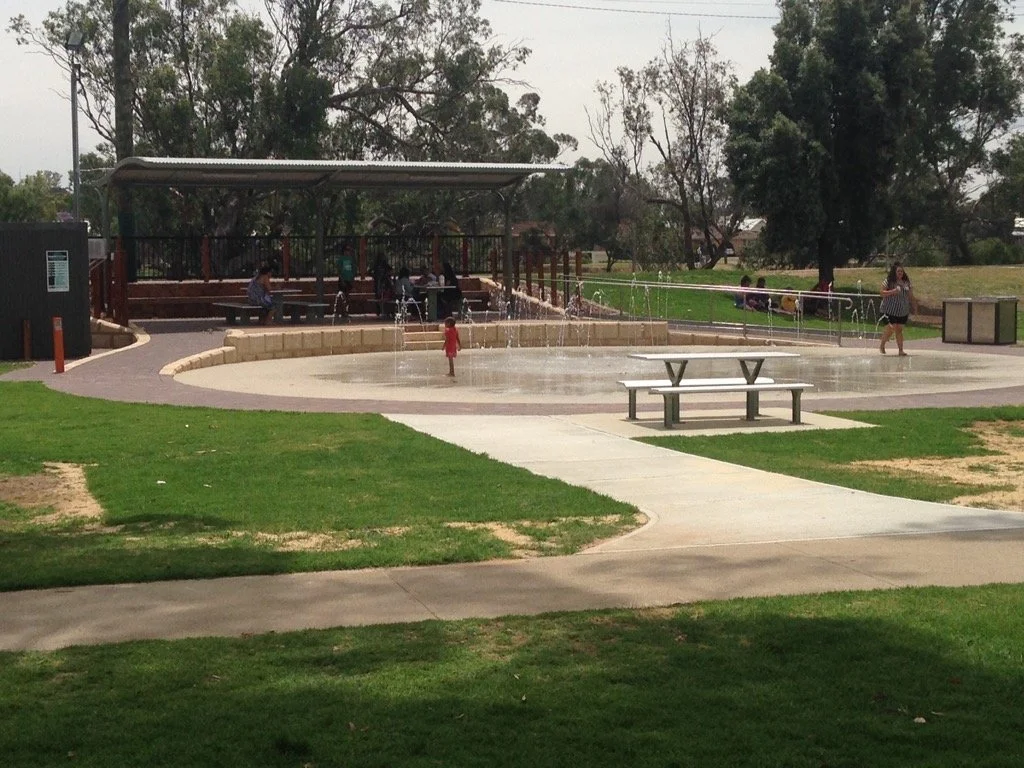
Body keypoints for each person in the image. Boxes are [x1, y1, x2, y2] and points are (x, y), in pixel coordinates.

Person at [879, 262, 916, 356]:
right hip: (889, 310)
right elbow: (882, 293)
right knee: (892, 328)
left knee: (899, 330)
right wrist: (893, 291)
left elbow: (910, 296)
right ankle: (882, 345)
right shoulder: (888, 282)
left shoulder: (906, 283)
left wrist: (915, 306)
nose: (900, 273)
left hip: (902, 311)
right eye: (898, 271)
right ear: (894, 272)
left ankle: (901, 350)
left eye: (901, 271)